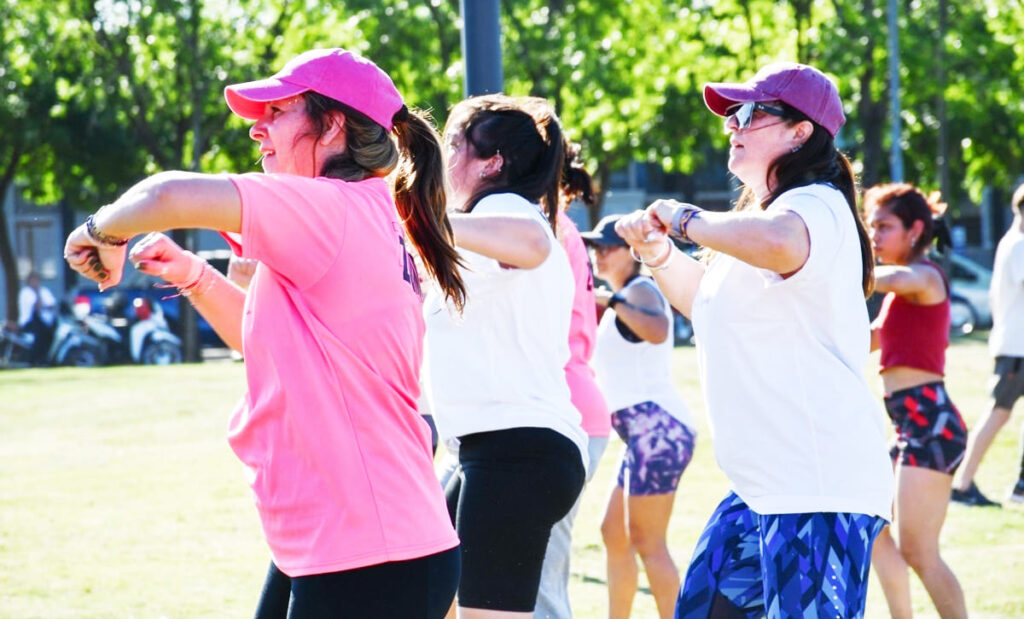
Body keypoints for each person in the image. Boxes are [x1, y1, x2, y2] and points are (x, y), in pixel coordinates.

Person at [64, 48, 465, 618]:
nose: (257, 127)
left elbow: (166, 195)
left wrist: (99, 229)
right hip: (363, 546)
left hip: (370, 556)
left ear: (332, 125)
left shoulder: (331, 211)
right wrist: (195, 276)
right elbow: (272, 351)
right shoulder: (361, 214)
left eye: (277, 110)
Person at [614, 62, 894, 618]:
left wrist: (684, 217)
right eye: (731, 117)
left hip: (818, 489)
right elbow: (703, 303)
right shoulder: (764, 218)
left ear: (801, 132)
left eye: (751, 112)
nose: (733, 125)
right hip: (760, 492)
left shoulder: (815, 204)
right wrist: (657, 253)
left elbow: (782, 243)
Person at [423, 94, 588, 618]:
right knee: (430, 599)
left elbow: (530, 244)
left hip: (516, 452)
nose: (443, 160)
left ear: (492, 163)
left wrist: (421, 220)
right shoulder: (475, 226)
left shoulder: (505, 211)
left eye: (453, 146)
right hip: (490, 452)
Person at [582, 215, 697, 619]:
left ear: (630, 253)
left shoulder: (641, 288)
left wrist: (611, 300)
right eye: (593, 247)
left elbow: (659, 329)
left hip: (658, 431)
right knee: (613, 533)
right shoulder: (622, 298)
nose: (597, 255)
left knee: (649, 543)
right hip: (643, 435)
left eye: (605, 247)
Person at [864, 183, 968, 618]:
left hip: (931, 424)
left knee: (920, 552)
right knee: (871, 529)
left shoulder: (924, 277)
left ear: (915, 230)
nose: (874, 236)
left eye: (883, 227)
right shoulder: (898, 297)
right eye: (871, 227)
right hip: (909, 427)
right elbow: (864, 342)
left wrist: (837, 267)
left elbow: (891, 279)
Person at [535, 145, 612, 619]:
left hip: (563, 412)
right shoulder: (551, 223)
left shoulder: (539, 226)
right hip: (571, 408)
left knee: (539, 583)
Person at [952, 181, 1024, 506]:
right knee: (998, 413)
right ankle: (962, 484)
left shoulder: (1012, 242)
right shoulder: (1019, 244)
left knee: (1003, 413)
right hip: (1016, 348)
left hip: (1015, 345)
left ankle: (1020, 484)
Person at [17, 271, 57, 365]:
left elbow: (52, 305)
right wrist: (37, 293)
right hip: (29, 323)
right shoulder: (26, 292)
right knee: (39, 337)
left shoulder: (44, 291)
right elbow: (37, 306)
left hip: (46, 323)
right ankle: (36, 360)